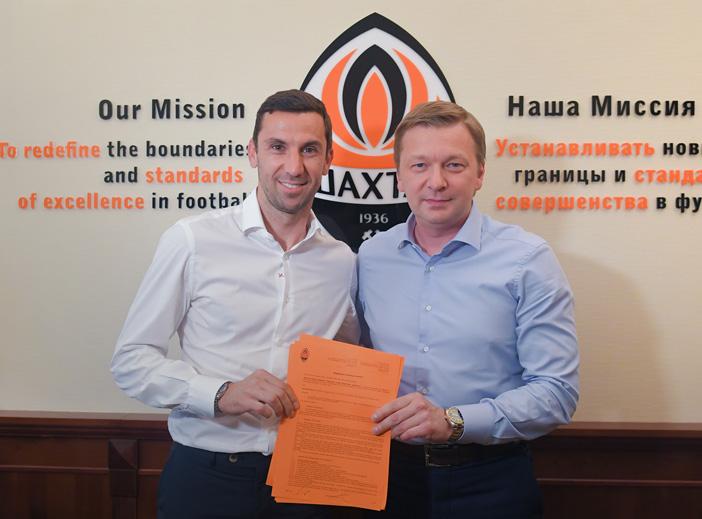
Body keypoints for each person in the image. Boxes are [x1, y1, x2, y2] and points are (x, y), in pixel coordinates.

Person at [111, 89, 359, 519]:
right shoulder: (192, 240)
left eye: (309, 150)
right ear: (252, 153)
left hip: (309, 479)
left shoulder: (343, 261)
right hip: (207, 478)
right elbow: (131, 361)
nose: (294, 166)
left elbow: (350, 357)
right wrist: (221, 393)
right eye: (277, 147)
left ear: (328, 159)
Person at [357, 101, 579, 518]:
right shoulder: (370, 257)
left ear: (479, 174)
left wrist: (453, 421)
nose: (436, 182)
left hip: (490, 480)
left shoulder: (528, 260)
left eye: (454, 165)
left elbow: (556, 392)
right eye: (419, 165)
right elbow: (355, 361)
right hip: (387, 479)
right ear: (399, 176)